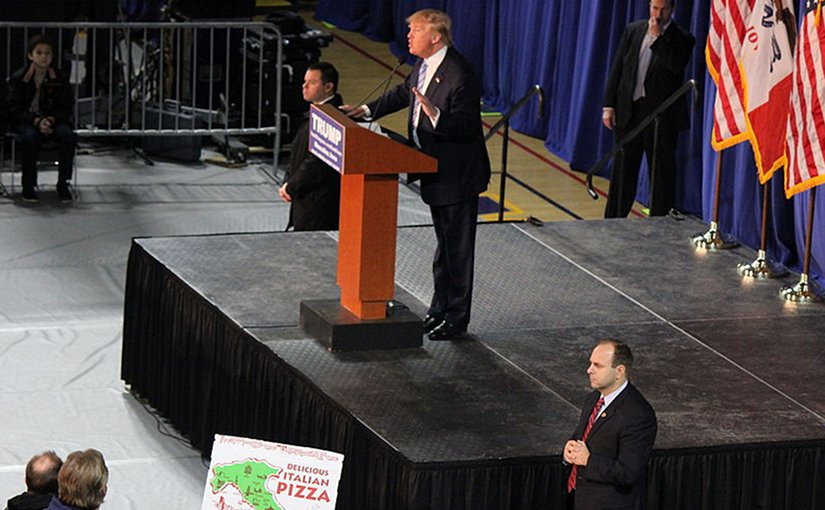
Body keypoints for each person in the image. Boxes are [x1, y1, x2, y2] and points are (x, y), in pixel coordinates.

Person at [343, 9, 491, 341]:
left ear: (435, 37)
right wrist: (364, 111)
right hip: (433, 170)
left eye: (415, 30)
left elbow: (467, 126)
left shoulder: (459, 73)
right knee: (444, 250)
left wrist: (435, 114)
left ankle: (456, 318)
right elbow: (402, 93)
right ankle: (439, 309)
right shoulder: (423, 65)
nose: (408, 35)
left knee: (458, 251)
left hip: (457, 175)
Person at [602, 0, 695, 218]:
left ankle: (660, 222)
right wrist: (609, 105)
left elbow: (675, 66)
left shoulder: (683, 38)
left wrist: (658, 39)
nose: (658, 14)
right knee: (623, 171)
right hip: (630, 111)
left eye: (663, 9)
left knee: (661, 175)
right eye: (654, 8)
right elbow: (618, 68)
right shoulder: (634, 30)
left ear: (672, 9)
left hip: (660, 118)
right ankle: (613, 221)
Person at [563, 340, 657, 510]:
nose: (589, 370)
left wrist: (588, 460)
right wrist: (570, 448)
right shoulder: (593, 399)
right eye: (590, 363)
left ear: (619, 371)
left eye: (597, 365)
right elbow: (584, 435)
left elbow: (628, 473)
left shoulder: (637, 415)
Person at [6, 35, 76, 203]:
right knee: (29, 138)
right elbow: (14, 109)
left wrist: (50, 120)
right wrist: (36, 121)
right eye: (39, 53)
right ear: (31, 56)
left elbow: (66, 106)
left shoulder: (59, 77)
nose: (44, 57)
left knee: (68, 136)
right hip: (27, 121)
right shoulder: (18, 78)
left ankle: (63, 184)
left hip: (53, 120)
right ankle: (28, 186)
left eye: (48, 53)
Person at [278, 62, 343, 231]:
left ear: (328, 86)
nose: (304, 86)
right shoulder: (315, 112)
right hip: (305, 199)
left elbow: (317, 162)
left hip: (319, 206)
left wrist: (291, 186)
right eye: (304, 81)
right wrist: (288, 182)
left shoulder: (333, 118)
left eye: (312, 82)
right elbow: (297, 153)